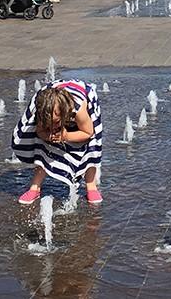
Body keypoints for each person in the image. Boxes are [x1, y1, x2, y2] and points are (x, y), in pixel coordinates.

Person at [12, 77, 103, 207]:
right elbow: (39, 132)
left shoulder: (79, 108)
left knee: (91, 147)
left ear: (65, 114)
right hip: (49, 98)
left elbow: (88, 133)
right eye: (48, 123)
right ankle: (35, 187)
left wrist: (65, 136)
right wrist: (48, 136)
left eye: (55, 122)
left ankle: (91, 185)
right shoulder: (41, 110)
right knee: (41, 146)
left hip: (80, 99)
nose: (53, 126)